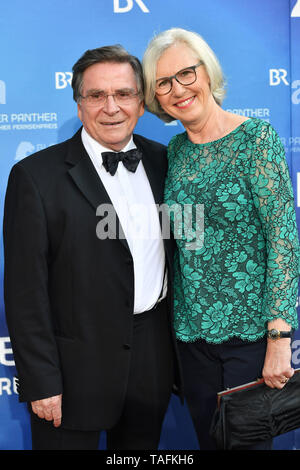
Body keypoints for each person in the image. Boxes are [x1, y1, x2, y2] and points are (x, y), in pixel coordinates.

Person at [3, 45, 182, 450]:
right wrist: (41, 381)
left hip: (150, 363)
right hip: (71, 373)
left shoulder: (165, 162)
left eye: (123, 94)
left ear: (141, 103)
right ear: (79, 104)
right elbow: (25, 293)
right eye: (96, 95)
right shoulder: (34, 177)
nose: (111, 107)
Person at [142, 28, 300, 450]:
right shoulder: (174, 151)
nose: (178, 89)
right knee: (207, 443)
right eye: (163, 82)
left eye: (186, 73)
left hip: (248, 338)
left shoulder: (256, 140)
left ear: (207, 74)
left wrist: (279, 339)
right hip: (189, 339)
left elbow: (283, 241)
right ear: (156, 96)